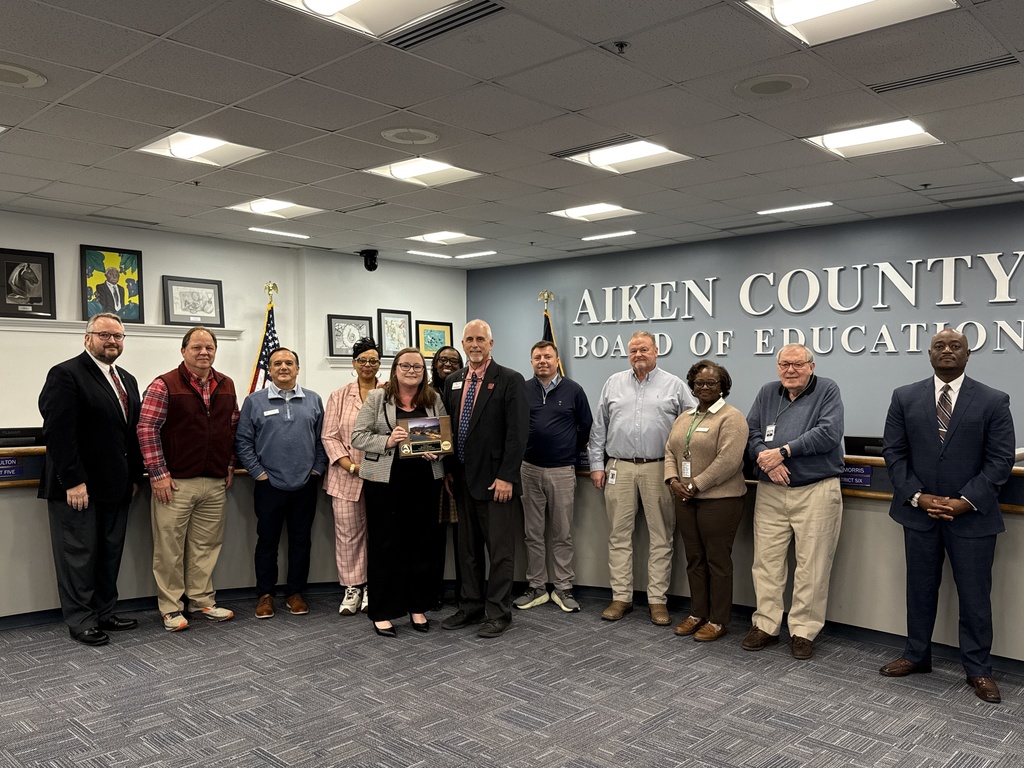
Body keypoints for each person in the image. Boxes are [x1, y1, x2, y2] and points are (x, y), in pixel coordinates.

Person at [879, 329, 1015, 704]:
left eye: (956, 346)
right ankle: (916, 655)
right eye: (940, 345)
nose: (947, 351)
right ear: (929, 354)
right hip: (920, 514)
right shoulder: (904, 397)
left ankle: (978, 669)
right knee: (919, 590)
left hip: (971, 517)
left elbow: (1000, 460)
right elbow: (894, 453)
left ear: (968, 355)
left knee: (975, 596)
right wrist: (920, 498)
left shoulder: (993, 400)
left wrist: (965, 501)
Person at [38, 313, 144, 646]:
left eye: (118, 336)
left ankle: (104, 611)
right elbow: (58, 432)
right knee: (78, 556)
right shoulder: (66, 374)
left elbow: (131, 434)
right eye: (104, 335)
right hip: (78, 488)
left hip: (117, 486)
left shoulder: (126, 379)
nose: (112, 341)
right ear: (88, 338)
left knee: (109, 553)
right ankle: (81, 620)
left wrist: (134, 476)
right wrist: (73, 480)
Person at [743, 344, 844, 660]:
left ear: (811, 366)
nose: (790, 370)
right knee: (766, 562)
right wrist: (765, 458)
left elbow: (828, 433)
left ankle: (803, 631)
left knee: (812, 565)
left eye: (797, 364)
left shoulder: (827, 390)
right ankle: (766, 625)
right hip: (771, 489)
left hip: (816, 489)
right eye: (784, 364)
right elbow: (751, 432)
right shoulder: (767, 392)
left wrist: (783, 452)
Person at [588, 330, 694, 626]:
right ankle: (621, 597)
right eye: (633, 350)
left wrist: (683, 470)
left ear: (656, 351)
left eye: (644, 349)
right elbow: (599, 428)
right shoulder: (613, 383)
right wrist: (597, 465)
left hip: (660, 469)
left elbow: (691, 430)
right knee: (618, 535)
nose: (638, 354)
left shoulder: (675, 385)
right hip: (618, 467)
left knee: (661, 536)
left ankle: (657, 601)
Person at [138, 326, 239, 632]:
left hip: (214, 481)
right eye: (196, 347)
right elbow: (147, 429)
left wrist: (230, 464)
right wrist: (158, 473)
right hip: (175, 482)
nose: (203, 352)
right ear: (183, 351)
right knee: (169, 547)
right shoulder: (164, 384)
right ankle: (171, 608)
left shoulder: (227, 384)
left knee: (205, 546)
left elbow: (231, 428)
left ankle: (201, 600)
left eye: (209, 347)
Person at [441, 319, 529, 638]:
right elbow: (448, 430)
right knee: (467, 549)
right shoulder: (452, 381)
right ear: (462, 344)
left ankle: (498, 612)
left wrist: (507, 476)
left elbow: (518, 435)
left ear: (491, 344)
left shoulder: (510, 380)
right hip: (462, 479)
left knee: (500, 550)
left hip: (496, 483)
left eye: (481, 339)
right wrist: (449, 470)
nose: (475, 345)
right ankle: (470, 606)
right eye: (469, 340)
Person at [351, 348, 446, 637]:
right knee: (385, 546)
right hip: (385, 484)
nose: (411, 371)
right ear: (395, 369)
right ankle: (383, 611)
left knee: (422, 545)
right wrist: (388, 440)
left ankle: (418, 607)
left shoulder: (433, 399)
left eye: (417, 366)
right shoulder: (378, 398)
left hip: (425, 482)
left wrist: (437, 453)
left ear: (424, 371)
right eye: (405, 365)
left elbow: (443, 439)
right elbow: (358, 436)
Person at [235, 348, 327, 619]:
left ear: (298, 368)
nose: (284, 367)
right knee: (267, 542)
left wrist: (317, 469)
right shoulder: (255, 401)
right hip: (268, 485)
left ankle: (296, 593)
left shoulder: (313, 400)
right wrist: (258, 473)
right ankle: (265, 595)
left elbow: (322, 439)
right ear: (270, 369)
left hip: (305, 484)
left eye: (289, 363)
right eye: (277, 364)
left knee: (301, 541)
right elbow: (242, 441)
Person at [665, 360, 748, 642]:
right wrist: (673, 481)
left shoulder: (731, 417)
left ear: (723, 386)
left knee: (717, 561)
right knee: (694, 559)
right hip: (686, 499)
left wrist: (695, 484)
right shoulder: (685, 417)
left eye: (711, 383)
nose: (704, 387)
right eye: (699, 382)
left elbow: (729, 461)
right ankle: (697, 613)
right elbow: (670, 450)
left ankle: (718, 620)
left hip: (720, 501)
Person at [514, 341, 592, 613]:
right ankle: (536, 586)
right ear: (531, 361)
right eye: (537, 357)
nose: (542, 361)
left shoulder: (574, 391)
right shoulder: (522, 389)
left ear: (557, 359)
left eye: (547, 356)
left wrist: (566, 447)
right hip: (529, 469)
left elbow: (585, 427)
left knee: (562, 533)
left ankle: (562, 588)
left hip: (562, 470)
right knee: (532, 533)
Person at [321, 337, 379, 616]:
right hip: (346, 476)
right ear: (354, 364)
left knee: (380, 534)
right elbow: (329, 436)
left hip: (383, 477)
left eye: (373, 360)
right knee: (348, 536)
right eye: (362, 360)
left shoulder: (389, 391)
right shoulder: (339, 395)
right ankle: (353, 587)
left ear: (380, 365)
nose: (368, 365)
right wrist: (351, 467)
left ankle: (374, 587)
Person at [429, 345, 463, 608]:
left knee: (465, 537)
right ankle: (433, 591)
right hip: (433, 473)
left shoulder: (467, 391)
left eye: (453, 360)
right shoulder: (424, 392)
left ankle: (467, 591)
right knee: (434, 538)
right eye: (442, 360)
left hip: (459, 472)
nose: (448, 364)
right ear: (435, 364)